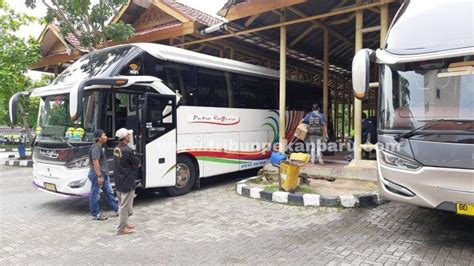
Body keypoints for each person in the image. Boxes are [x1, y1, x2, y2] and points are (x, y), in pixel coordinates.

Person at [113, 128, 141, 235]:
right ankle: (121, 229)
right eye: (129, 135)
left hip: (119, 180)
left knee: (123, 204)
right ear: (125, 137)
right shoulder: (128, 150)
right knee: (124, 206)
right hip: (127, 181)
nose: (130, 137)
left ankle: (125, 223)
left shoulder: (116, 148)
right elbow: (137, 163)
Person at [88, 129, 119, 220]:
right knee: (95, 194)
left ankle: (117, 209)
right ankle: (95, 214)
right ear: (99, 138)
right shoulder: (96, 147)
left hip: (103, 174)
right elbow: (95, 162)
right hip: (97, 174)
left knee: (109, 192)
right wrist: (99, 176)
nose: (106, 137)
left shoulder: (99, 146)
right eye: (104, 135)